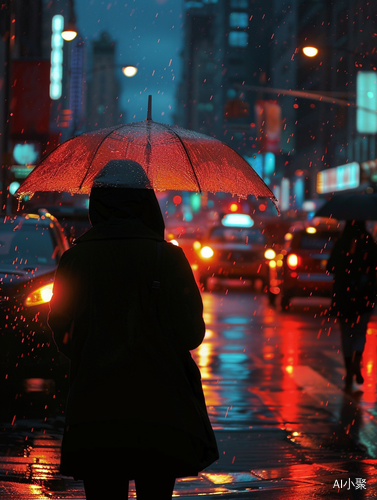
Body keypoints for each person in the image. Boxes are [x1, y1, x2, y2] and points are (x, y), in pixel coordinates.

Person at [48, 160, 219, 499]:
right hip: (159, 413)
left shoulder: (75, 259)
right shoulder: (167, 258)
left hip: (94, 412)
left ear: (96, 203)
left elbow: (62, 332)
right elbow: (190, 335)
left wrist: (96, 349)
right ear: (147, 203)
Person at [327, 219, 377, 391]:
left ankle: (349, 369)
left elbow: (330, 266)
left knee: (346, 333)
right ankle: (357, 359)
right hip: (364, 295)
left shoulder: (342, 241)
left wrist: (344, 270)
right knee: (360, 331)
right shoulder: (369, 241)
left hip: (344, 295)